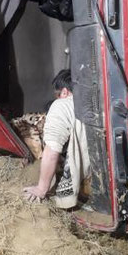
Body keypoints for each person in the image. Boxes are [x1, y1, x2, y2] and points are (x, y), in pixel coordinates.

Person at [23, 69, 89, 208]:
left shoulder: (61, 105)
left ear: (64, 92)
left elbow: (52, 152)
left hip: (85, 187)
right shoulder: (94, 103)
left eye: (57, 94)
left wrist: (41, 189)